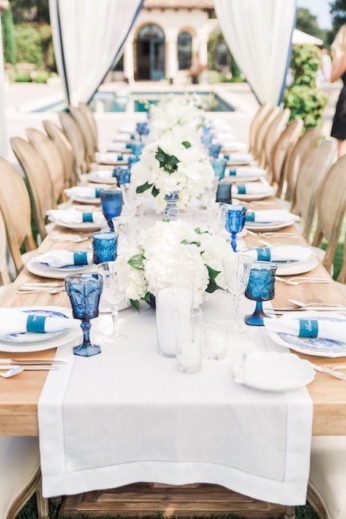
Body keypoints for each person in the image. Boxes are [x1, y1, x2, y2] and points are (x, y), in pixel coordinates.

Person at [330, 25, 346, 157]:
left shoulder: (344, 58)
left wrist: (337, 60)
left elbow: (332, 78)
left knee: (342, 141)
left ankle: (341, 175)